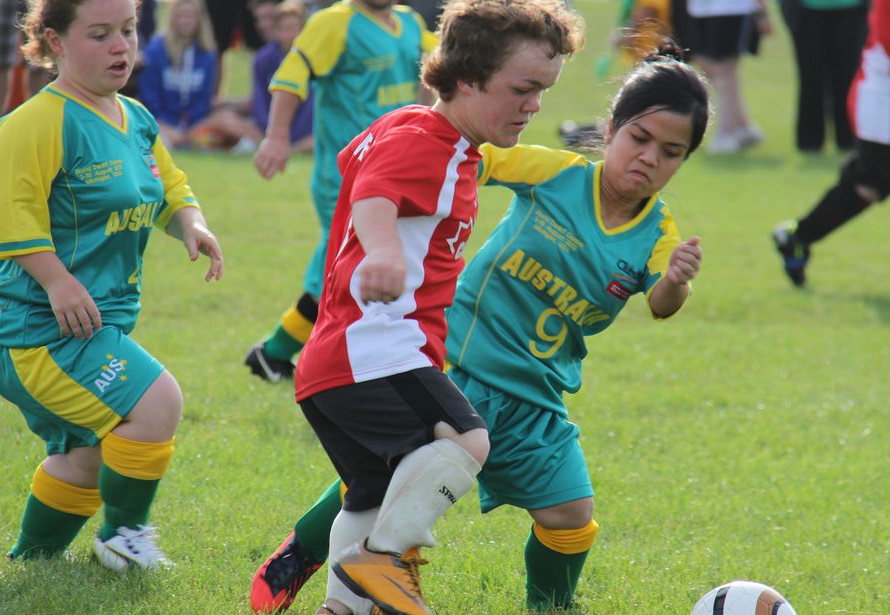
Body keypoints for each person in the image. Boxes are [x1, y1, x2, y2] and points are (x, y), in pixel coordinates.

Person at [250, 40, 709, 613]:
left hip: (535, 394)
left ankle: (549, 606)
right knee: (390, 477)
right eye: (639, 139)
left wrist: (678, 281)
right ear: (611, 128)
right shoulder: (558, 173)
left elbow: (663, 300)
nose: (648, 159)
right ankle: (305, 549)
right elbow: (470, 157)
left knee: (571, 515)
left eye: (670, 152)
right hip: (456, 362)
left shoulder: (657, 233)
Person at [251, 1, 584, 613]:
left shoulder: (418, 129)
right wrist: (379, 250)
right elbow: (375, 190)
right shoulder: (430, 142)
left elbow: (360, 158)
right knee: (467, 438)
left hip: (335, 361)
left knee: (372, 495)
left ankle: (340, 606)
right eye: (523, 88)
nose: (535, 104)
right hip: (375, 348)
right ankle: (383, 564)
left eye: (543, 90)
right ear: (466, 77)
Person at [0, 0, 224, 569]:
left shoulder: (134, 118)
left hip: (91, 323)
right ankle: (124, 537)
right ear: (55, 42)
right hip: (36, 331)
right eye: (100, 34)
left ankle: (34, 561)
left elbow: (169, 185)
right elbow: (6, 209)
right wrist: (56, 279)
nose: (122, 46)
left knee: (93, 454)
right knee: (156, 401)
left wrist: (191, 223)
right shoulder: (35, 123)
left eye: (128, 30)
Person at [245, 0, 439, 384]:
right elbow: (292, 73)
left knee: (350, 267)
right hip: (348, 174)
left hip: (397, 172)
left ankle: (277, 353)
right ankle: (291, 355)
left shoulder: (409, 23)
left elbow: (445, 61)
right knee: (341, 269)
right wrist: (277, 136)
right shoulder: (334, 23)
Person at [773, 0, 889, 286]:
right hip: (882, 105)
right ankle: (797, 237)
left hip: (877, 105)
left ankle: (797, 237)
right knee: (866, 185)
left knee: (866, 187)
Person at [138, 0, 261, 150]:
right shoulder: (156, 50)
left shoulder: (207, 53)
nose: (185, 21)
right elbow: (149, 96)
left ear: (199, 19)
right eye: (181, 16)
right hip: (162, 123)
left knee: (228, 119)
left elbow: (205, 98)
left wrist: (190, 128)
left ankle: (269, 143)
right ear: (172, 18)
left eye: (190, 17)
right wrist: (168, 125)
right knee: (153, 134)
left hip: (197, 124)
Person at [778, 0, 868, 152]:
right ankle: (810, 141)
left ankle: (849, 138)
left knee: (848, 76)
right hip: (806, 10)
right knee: (810, 77)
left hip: (852, 9)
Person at [685, 0, 771, 154]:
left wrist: (762, 12)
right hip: (699, 9)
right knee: (707, 67)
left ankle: (725, 133)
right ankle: (743, 127)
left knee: (724, 69)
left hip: (732, 9)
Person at [249, 0, 313, 154]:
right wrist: (272, 132)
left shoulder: (313, 58)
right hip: (269, 128)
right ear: (276, 31)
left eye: (293, 28)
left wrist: (293, 136)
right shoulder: (262, 58)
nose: (290, 35)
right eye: (284, 29)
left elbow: (311, 105)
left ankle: (290, 148)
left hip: (306, 131)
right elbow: (259, 101)